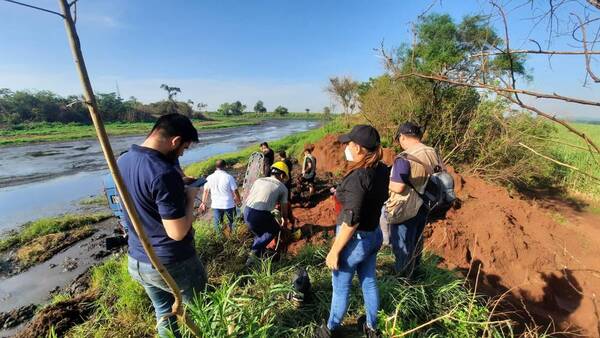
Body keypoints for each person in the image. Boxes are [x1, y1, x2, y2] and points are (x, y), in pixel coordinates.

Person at [117, 113, 207, 338]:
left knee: (164, 313)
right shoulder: (164, 174)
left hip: (138, 259)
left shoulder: (123, 160)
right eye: (183, 148)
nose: (182, 153)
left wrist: (179, 183)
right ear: (175, 141)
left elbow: (144, 192)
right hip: (172, 263)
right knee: (201, 311)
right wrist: (191, 195)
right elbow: (177, 233)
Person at [316, 125, 389, 338]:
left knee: (340, 286)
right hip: (374, 234)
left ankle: (330, 328)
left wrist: (334, 251)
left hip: (356, 240)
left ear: (358, 148)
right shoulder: (382, 168)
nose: (346, 147)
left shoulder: (359, 177)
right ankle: (372, 327)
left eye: (348, 143)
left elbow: (351, 220)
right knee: (368, 281)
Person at [385, 122, 443, 278]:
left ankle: (404, 281)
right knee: (416, 241)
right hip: (425, 204)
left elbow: (398, 188)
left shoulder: (404, 157)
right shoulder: (432, 152)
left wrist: (387, 181)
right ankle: (416, 272)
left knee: (403, 245)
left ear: (402, 137)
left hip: (406, 207)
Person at [243, 161, 291, 263]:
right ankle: (252, 255)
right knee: (274, 229)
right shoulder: (282, 188)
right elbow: (284, 208)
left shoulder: (259, 180)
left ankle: (260, 252)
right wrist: (284, 222)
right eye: (284, 177)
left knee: (260, 234)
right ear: (282, 175)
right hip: (260, 214)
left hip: (247, 211)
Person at [199, 159, 241, 234]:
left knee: (217, 223)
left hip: (216, 205)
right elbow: (235, 190)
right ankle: (233, 235)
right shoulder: (229, 177)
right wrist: (238, 200)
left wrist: (203, 203)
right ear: (225, 166)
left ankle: (219, 238)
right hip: (229, 204)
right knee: (232, 221)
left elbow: (205, 191)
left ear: (216, 167)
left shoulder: (209, 177)